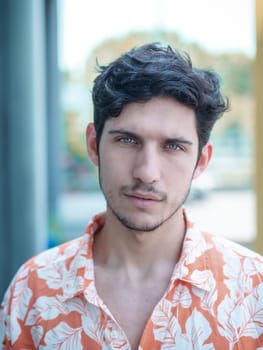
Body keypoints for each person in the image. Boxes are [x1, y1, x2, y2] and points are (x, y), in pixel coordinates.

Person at [1, 43, 263, 350]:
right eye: (127, 140)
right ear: (93, 144)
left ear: (201, 161)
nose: (147, 172)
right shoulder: (34, 289)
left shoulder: (253, 290)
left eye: (173, 146)